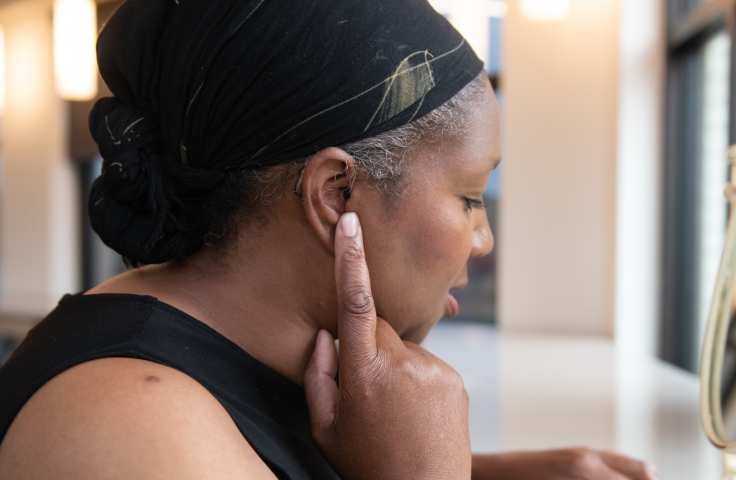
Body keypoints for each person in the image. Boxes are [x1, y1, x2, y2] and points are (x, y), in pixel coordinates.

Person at [0, 0, 658, 478]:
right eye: (468, 198)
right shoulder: (131, 422)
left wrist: (490, 472)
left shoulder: (206, 360)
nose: (482, 240)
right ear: (336, 193)